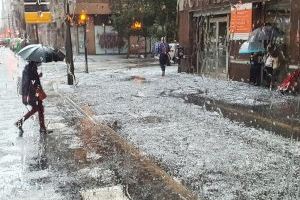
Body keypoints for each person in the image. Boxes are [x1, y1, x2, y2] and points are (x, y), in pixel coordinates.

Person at [15, 61, 47, 136]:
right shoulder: (29, 68)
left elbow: (32, 79)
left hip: (35, 91)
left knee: (40, 109)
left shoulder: (31, 67)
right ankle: (20, 123)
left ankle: (42, 127)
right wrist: (25, 96)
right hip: (33, 92)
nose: (40, 62)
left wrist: (38, 76)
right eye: (38, 61)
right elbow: (26, 82)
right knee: (37, 108)